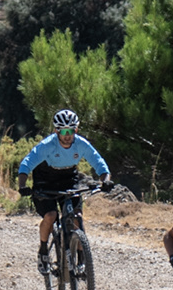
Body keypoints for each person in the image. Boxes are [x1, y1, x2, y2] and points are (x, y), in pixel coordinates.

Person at [17, 109, 110, 275]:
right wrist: (22, 185)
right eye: (63, 131)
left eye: (71, 131)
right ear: (56, 131)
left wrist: (105, 180)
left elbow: (99, 163)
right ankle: (43, 250)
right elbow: (27, 163)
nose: (67, 135)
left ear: (76, 130)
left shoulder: (81, 144)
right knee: (51, 215)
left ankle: (82, 259)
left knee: (77, 217)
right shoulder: (47, 145)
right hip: (45, 179)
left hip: (68, 178)